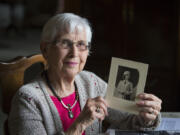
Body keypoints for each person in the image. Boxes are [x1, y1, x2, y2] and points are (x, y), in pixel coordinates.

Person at [8, 13, 162, 135]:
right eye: (65, 43)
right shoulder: (27, 99)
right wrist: (79, 124)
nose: (74, 53)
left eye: (81, 45)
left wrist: (147, 115)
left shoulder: (91, 82)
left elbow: (129, 120)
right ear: (45, 49)